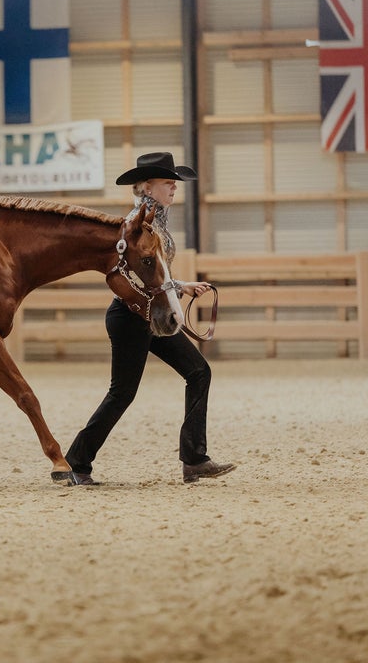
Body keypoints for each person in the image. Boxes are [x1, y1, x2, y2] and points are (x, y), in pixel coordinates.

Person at [65, 152, 237, 485]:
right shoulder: (136, 223)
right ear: (147, 186)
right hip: (131, 316)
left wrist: (181, 285)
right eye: (168, 182)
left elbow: (155, 273)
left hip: (153, 313)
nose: (174, 188)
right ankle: (76, 461)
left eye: (174, 183)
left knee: (198, 372)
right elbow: (132, 272)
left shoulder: (156, 220)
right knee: (122, 394)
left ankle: (194, 460)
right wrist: (172, 289)